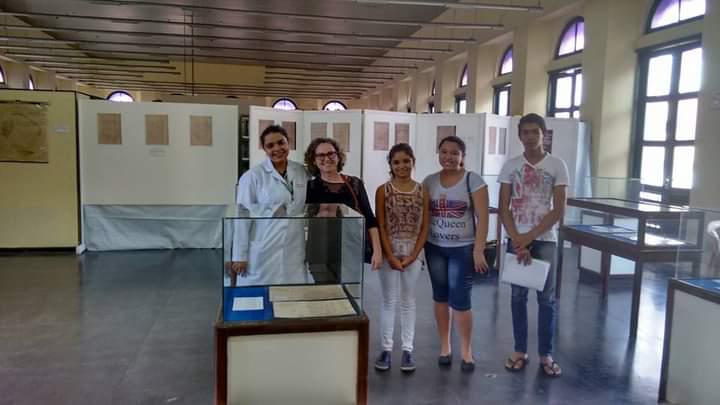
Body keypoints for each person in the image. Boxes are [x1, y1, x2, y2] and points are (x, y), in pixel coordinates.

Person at [498, 113, 569, 378]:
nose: (529, 137)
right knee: (517, 297)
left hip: (545, 241)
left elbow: (558, 210)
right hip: (516, 239)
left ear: (543, 134)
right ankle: (519, 351)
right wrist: (518, 239)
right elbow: (504, 207)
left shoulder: (557, 165)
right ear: (519, 136)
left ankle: (546, 354)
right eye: (525, 132)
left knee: (546, 299)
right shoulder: (511, 165)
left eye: (534, 132)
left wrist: (529, 237)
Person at [422, 135, 489, 372]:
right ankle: (445, 347)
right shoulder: (429, 181)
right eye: (444, 152)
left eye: (454, 153)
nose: (448, 157)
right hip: (435, 248)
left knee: (461, 300)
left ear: (462, 156)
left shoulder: (474, 180)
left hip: (463, 250)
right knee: (440, 297)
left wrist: (479, 249)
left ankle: (466, 351)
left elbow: (483, 218)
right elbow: (424, 217)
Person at [228, 124, 310, 286]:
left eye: (281, 142)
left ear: (288, 143)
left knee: (293, 292)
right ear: (264, 149)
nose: (277, 148)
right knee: (260, 292)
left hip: (294, 245)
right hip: (264, 244)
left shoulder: (302, 171)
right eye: (270, 145)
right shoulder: (252, 177)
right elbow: (242, 216)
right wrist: (239, 255)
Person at [373, 144, 430, 372]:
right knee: (389, 300)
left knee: (408, 301)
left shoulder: (422, 190)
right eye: (396, 162)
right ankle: (386, 348)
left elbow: (424, 226)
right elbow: (381, 224)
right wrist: (390, 255)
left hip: (413, 254)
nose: (402, 166)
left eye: (406, 161)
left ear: (413, 161)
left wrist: (414, 255)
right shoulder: (383, 190)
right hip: (390, 253)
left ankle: (408, 349)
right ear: (391, 165)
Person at [304, 138, 383, 270]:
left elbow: (369, 218)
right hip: (321, 252)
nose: (327, 158)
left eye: (331, 154)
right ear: (313, 160)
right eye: (321, 155)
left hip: (352, 249)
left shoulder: (355, 183)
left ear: (338, 156)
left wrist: (377, 250)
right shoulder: (309, 187)